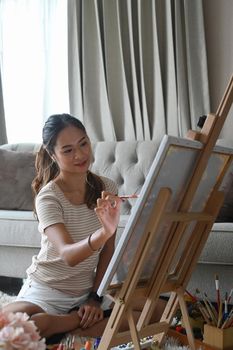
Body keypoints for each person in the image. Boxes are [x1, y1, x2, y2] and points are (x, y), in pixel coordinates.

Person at [3, 113, 122, 339]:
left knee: (155, 310)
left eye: (83, 143)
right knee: (10, 326)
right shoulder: (48, 197)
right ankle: (76, 322)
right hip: (45, 290)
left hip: (84, 292)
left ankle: (64, 328)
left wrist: (95, 298)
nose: (80, 154)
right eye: (67, 150)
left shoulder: (107, 187)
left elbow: (108, 250)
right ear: (52, 153)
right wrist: (103, 232)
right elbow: (69, 255)